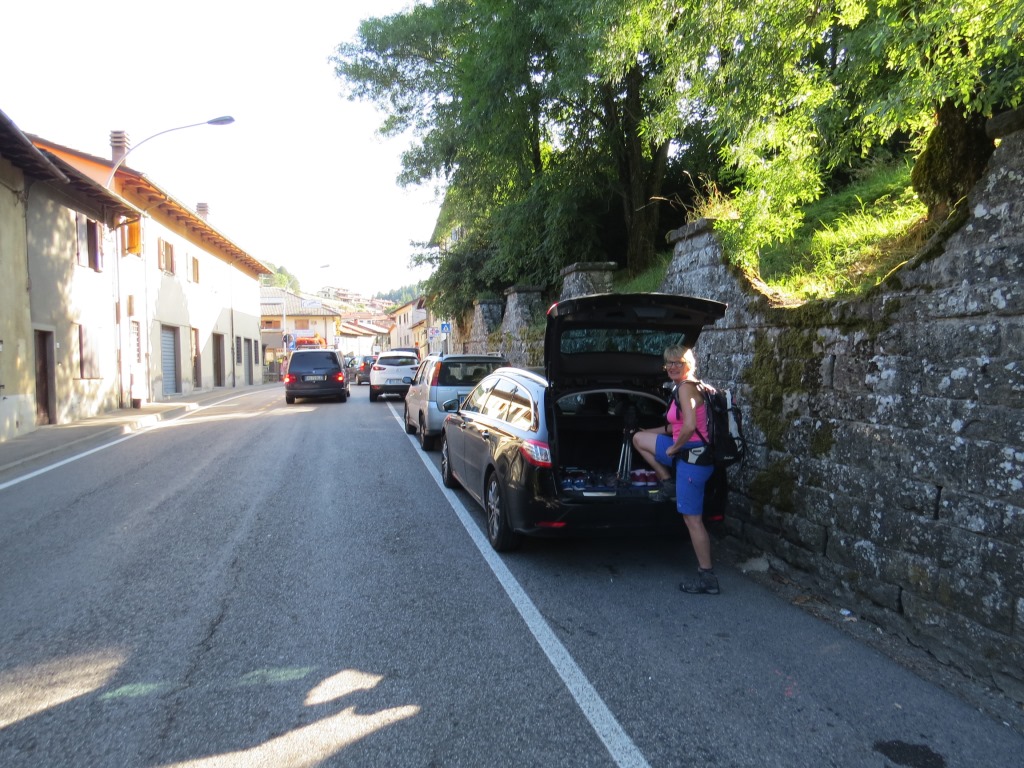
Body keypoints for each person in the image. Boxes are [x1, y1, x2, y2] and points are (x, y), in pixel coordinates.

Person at [632, 345, 719, 594]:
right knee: (639, 439)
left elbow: (689, 426)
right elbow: (675, 427)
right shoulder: (689, 386)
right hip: (687, 454)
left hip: (692, 460)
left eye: (677, 362)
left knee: (693, 520)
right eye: (668, 363)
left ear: (688, 364)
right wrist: (646, 432)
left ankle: (707, 577)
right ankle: (667, 482)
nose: (672, 367)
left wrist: (674, 448)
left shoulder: (685, 388)